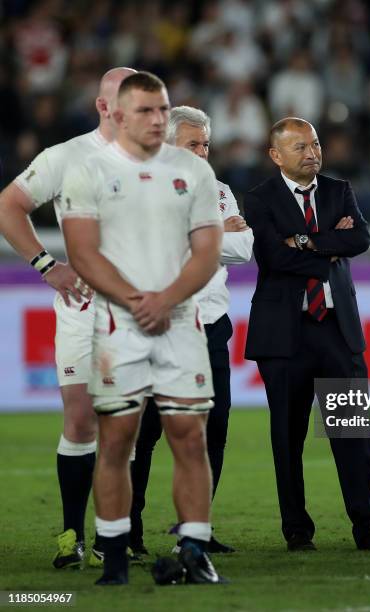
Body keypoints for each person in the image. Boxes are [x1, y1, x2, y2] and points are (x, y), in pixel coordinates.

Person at [61, 71, 225, 585]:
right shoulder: (89, 171)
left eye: (162, 109)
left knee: (189, 438)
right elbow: (82, 252)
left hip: (180, 324)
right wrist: (137, 301)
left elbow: (209, 251)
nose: (156, 119)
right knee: (116, 442)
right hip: (118, 327)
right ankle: (114, 558)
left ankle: (195, 551)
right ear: (120, 115)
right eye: (146, 110)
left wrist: (166, 300)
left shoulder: (198, 175)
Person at [0, 67, 136, 569]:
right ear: (103, 108)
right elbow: (9, 206)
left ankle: (116, 537)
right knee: (80, 419)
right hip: (84, 307)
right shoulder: (66, 156)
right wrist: (46, 265)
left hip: (137, 309)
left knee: (126, 426)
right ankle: (71, 535)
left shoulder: (161, 159)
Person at [244, 117, 370, 552]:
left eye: (315, 143)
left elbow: (359, 240)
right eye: (300, 146)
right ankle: (297, 530)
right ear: (276, 156)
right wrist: (327, 243)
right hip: (283, 336)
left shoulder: (338, 190)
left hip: (336, 331)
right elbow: (272, 257)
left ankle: (366, 526)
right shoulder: (258, 198)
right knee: (287, 439)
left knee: (354, 433)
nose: (312, 152)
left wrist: (303, 241)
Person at [128, 105, 254, 554]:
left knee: (214, 428)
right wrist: (219, 231)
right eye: (192, 145)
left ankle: (194, 529)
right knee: (145, 432)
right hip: (159, 326)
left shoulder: (219, 190)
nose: (201, 153)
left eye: (205, 145)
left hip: (212, 326)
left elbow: (244, 249)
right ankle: (130, 532)